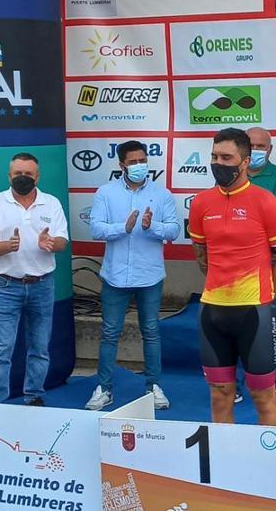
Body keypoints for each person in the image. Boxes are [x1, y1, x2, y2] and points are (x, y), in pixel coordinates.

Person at [188, 128, 276, 426]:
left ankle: (269, 465)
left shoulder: (267, 202)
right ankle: (225, 463)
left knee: (264, 397)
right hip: (212, 311)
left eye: (226, 157)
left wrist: (266, 297)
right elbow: (201, 255)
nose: (218, 163)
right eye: (214, 156)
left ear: (245, 161)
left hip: (255, 313)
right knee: (220, 395)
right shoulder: (201, 203)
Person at [85, 141, 181, 412]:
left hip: (149, 275)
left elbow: (174, 230)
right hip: (115, 275)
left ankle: (153, 387)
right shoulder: (106, 193)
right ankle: (104, 389)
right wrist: (123, 227)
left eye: (143, 160)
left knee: (151, 331)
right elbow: (96, 229)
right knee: (109, 332)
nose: (140, 166)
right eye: (133, 161)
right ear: (122, 165)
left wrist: (153, 227)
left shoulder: (161, 194)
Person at [0, 152, 69, 406]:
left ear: (37, 177)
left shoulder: (52, 204)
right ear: (9, 176)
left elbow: (62, 241)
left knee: (40, 348)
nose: (23, 178)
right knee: (1, 351)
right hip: (6, 285)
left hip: (42, 285)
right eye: (18, 174)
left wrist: (51, 242)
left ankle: (34, 397)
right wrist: (7, 245)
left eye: (28, 174)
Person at [234, 126, 276, 408]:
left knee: (269, 328)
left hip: (267, 267)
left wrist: (243, 219)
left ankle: (273, 387)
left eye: (263, 147)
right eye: (252, 146)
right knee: (231, 328)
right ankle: (232, 385)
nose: (257, 151)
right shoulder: (231, 175)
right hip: (232, 266)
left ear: (270, 150)